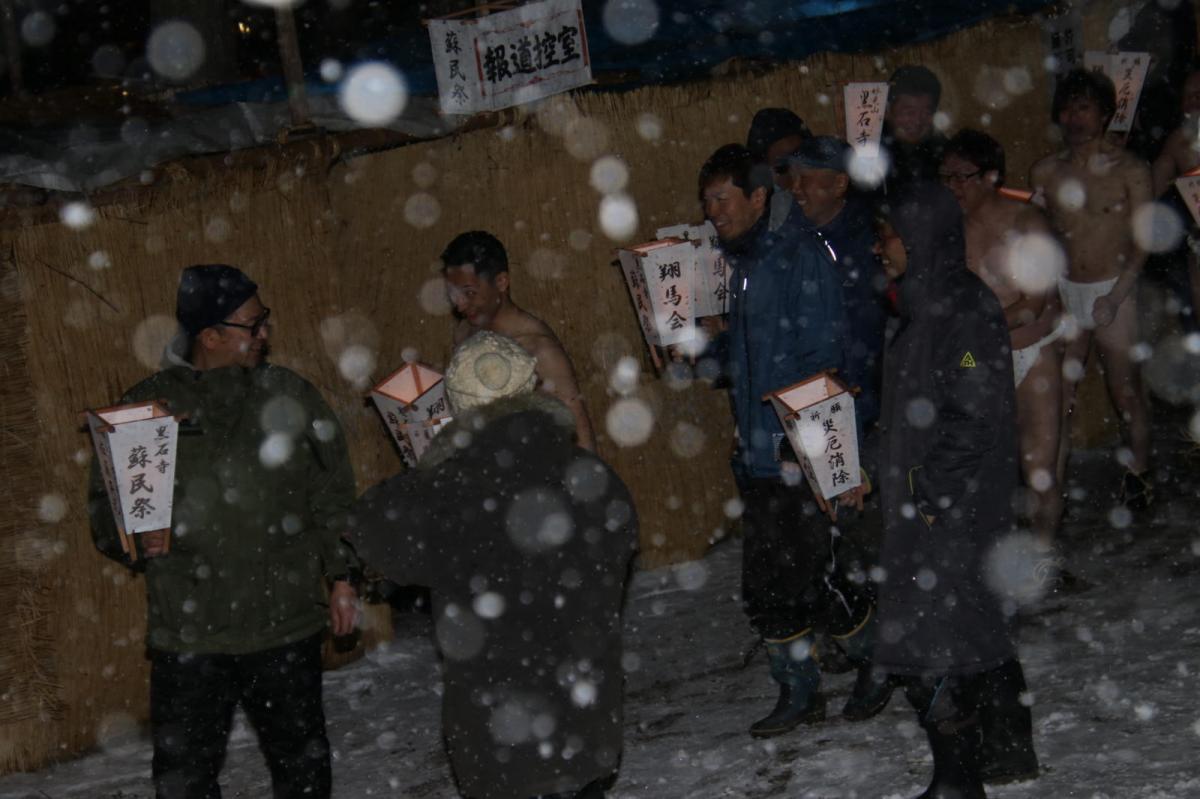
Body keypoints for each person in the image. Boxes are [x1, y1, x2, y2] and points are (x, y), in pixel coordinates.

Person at [88, 264, 359, 799]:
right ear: (210, 336)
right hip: (190, 634)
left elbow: (332, 493)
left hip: (283, 625)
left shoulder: (289, 395)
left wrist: (344, 576)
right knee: (184, 780)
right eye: (252, 325)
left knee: (302, 771)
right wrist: (133, 538)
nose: (264, 333)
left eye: (264, 320)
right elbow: (106, 508)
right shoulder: (149, 411)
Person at [348, 330, 637, 799]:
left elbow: (370, 531)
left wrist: (432, 461)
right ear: (532, 389)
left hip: (500, 735)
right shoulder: (593, 477)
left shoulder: (445, 493)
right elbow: (621, 545)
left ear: (457, 406)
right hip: (584, 719)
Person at [698, 144, 884, 738]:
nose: (713, 213)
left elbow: (822, 362)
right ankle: (798, 688)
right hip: (758, 451)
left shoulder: (798, 256)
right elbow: (745, 358)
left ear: (758, 197)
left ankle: (877, 660)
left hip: (795, 448)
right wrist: (701, 350)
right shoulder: (747, 263)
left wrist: (818, 456)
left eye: (722, 199)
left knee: (818, 577)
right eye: (707, 203)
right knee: (768, 584)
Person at [873, 183, 1038, 797]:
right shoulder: (931, 301)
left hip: (952, 504)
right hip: (952, 500)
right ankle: (1005, 751)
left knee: (933, 636)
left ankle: (959, 776)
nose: (879, 248)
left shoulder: (960, 308)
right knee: (973, 625)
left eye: (888, 235)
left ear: (919, 239)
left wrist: (928, 492)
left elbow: (974, 411)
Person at [1031, 68, 1155, 509]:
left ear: (1104, 114)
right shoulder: (1046, 171)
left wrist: (1116, 296)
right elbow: (1041, 235)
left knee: (1125, 392)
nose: (1074, 118)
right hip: (1067, 291)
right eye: (1067, 109)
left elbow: (1144, 241)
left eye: (1083, 108)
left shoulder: (1131, 170)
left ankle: (1139, 474)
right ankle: (1052, 488)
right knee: (1059, 395)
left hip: (1114, 289)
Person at [941, 130, 1065, 552]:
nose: (954, 187)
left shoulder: (1027, 222)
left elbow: (1033, 303)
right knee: (977, 463)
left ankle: (1044, 551)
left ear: (990, 176)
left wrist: (978, 326)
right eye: (946, 177)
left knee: (1039, 469)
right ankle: (985, 553)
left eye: (962, 177)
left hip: (1030, 352)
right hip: (974, 357)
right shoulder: (948, 229)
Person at [442, 231, 596, 452]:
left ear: (501, 282)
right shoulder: (465, 332)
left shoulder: (539, 349)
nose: (460, 305)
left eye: (469, 293)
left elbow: (581, 439)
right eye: (453, 293)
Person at [1150, 63, 1200, 334]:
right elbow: (1154, 188)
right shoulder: (1179, 141)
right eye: (1187, 96)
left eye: (1198, 94)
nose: (1191, 102)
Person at [883, 65, 949, 193]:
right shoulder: (869, 148)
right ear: (887, 111)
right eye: (909, 112)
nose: (918, 121)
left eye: (926, 112)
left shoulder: (944, 154)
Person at [745, 107, 812, 230]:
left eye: (802, 162)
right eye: (783, 167)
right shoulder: (766, 214)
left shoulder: (827, 193)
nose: (795, 177)